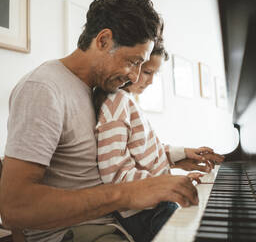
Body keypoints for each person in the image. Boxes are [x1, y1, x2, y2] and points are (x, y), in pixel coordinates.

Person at [0, 0, 218, 242]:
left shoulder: (99, 90)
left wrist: (175, 157)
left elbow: (111, 155)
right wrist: (129, 192)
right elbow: (15, 208)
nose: (135, 77)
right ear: (103, 40)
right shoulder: (43, 89)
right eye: (133, 62)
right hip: (80, 232)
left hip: (121, 221)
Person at [94, 40, 224, 241]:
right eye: (147, 72)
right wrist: (168, 183)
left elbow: (144, 150)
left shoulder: (126, 101)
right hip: (144, 212)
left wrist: (182, 153)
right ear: (131, 65)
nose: (151, 80)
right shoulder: (116, 103)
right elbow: (115, 175)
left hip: (154, 204)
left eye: (155, 73)